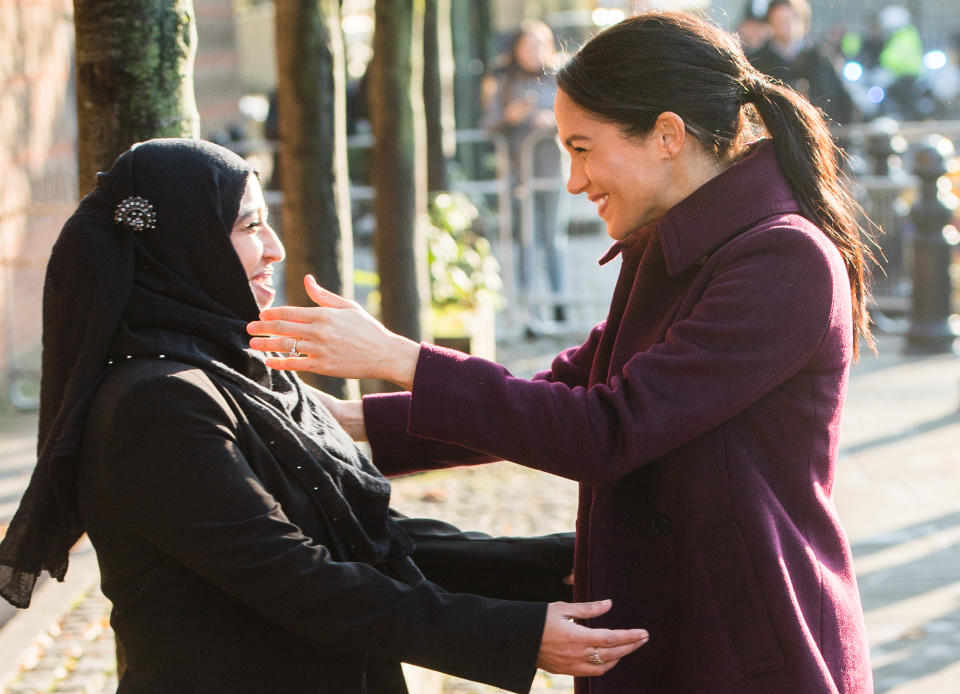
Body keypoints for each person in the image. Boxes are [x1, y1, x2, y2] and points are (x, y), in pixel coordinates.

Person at [248, 10, 876, 694]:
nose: (574, 181)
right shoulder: (675, 245)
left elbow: (607, 429)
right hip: (675, 623)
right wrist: (343, 424)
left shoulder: (783, 259)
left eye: (582, 148)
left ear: (667, 135)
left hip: (749, 648)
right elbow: (564, 389)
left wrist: (400, 357)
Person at [0, 139, 650, 693]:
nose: (276, 248)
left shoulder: (242, 373)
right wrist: (515, 636)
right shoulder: (155, 405)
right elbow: (300, 579)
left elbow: (368, 539)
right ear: (184, 248)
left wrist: (559, 562)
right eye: (250, 226)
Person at [481, 20, 567, 324]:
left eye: (538, 45)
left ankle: (559, 302)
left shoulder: (561, 78)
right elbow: (488, 123)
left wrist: (553, 121)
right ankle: (527, 306)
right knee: (525, 239)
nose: (532, 51)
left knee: (551, 236)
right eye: (526, 45)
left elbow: (579, 120)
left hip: (551, 171)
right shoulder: (504, 81)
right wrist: (508, 116)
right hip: (518, 173)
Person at [748, 0, 855, 124]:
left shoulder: (820, 57)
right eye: (780, 21)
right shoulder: (758, 61)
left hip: (819, 132)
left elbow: (841, 101)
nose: (787, 27)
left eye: (791, 20)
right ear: (771, 23)